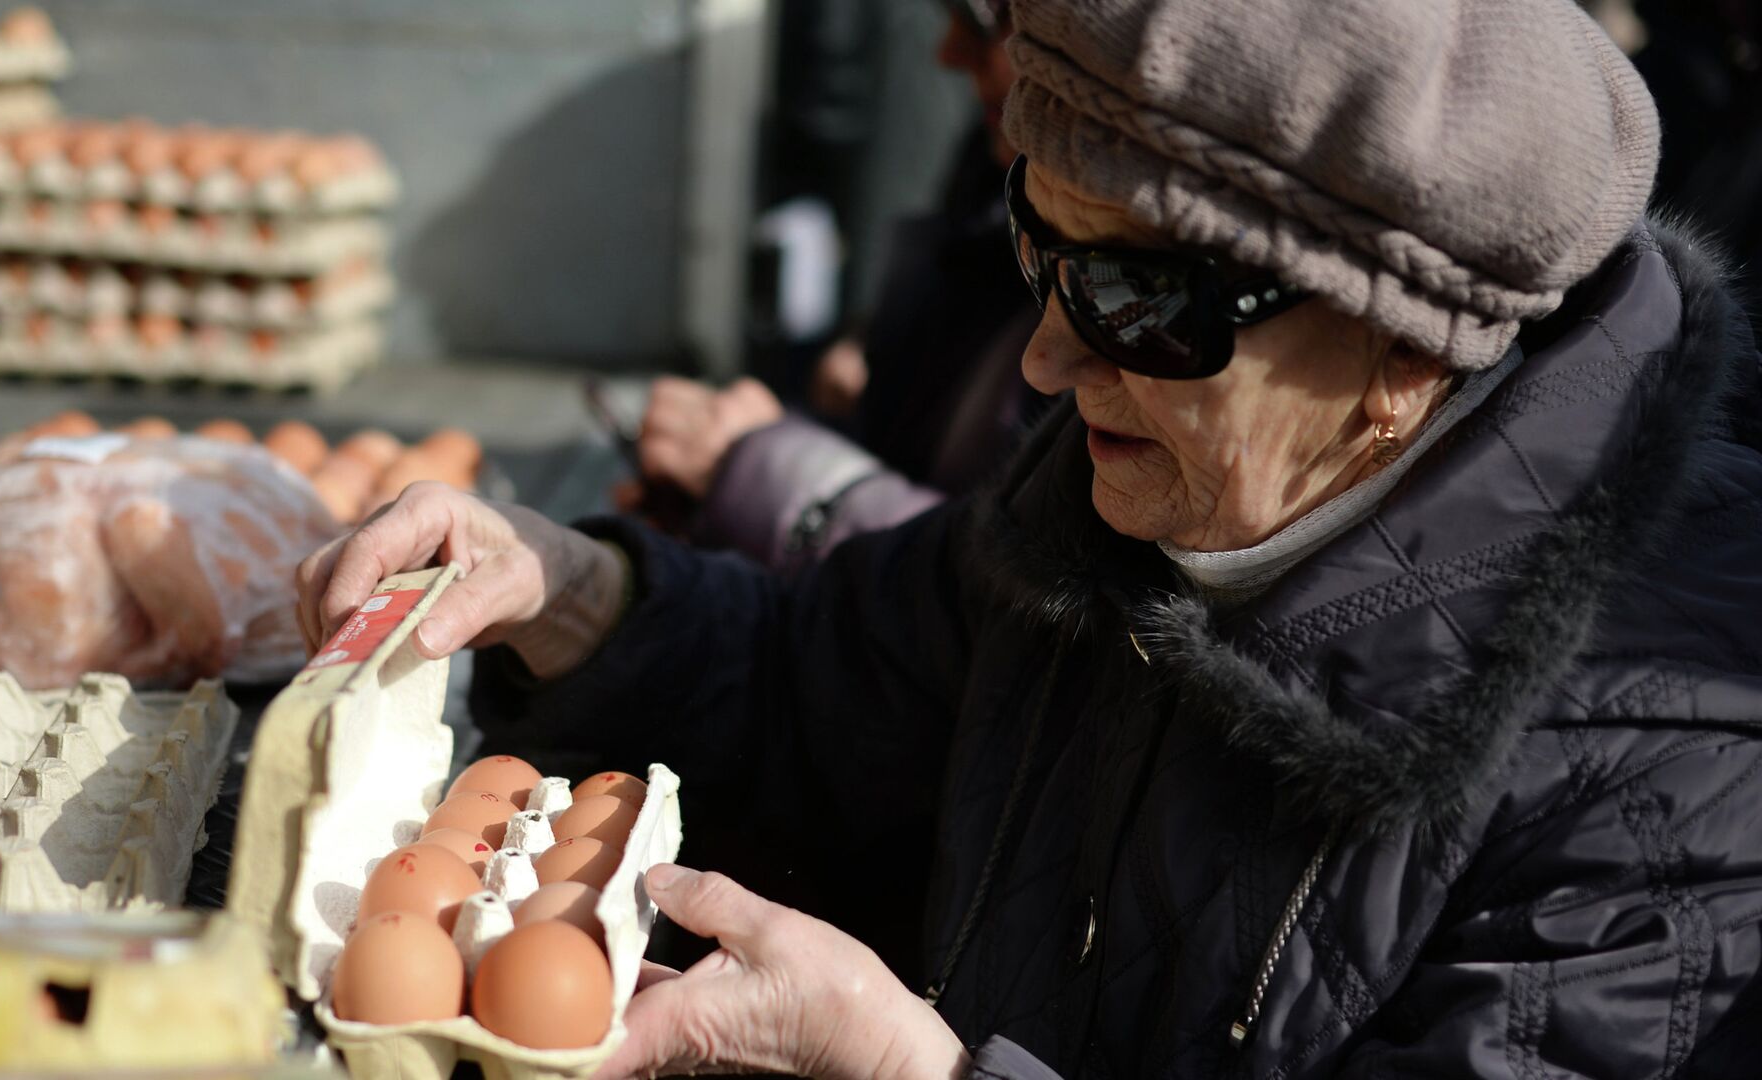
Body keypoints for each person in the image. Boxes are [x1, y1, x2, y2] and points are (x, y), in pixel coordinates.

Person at [298, 0, 1762, 1075]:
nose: (1048, 362)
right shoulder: (1135, 489)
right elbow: (833, 678)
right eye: (1036, 249)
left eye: (1137, 302)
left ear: (1406, 350)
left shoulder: (1674, 773)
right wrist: (569, 589)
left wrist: (913, 1070)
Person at [623, 0, 1048, 575]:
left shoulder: (1128, 280)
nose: (947, 54)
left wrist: (754, 465)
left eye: (985, 22)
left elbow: (1008, 593)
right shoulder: (998, 175)